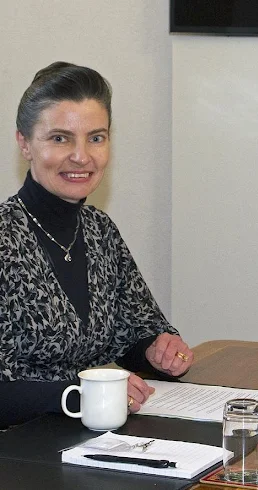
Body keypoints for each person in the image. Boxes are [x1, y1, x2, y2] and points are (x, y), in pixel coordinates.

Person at [0, 61, 194, 428]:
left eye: (96, 137)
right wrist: (78, 394)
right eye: (60, 138)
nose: (81, 156)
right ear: (24, 143)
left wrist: (156, 351)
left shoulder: (98, 229)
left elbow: (132, 336)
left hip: (86, 440)